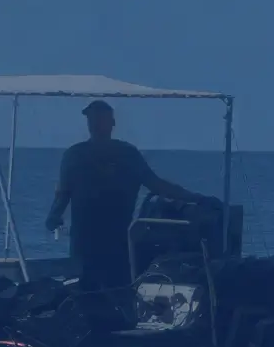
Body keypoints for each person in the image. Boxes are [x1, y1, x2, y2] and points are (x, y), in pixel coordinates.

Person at [44, 99, 195, 319]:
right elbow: (63, 194)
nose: (95, 123)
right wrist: (54, 216)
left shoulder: (126, 154)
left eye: (99, 118)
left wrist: (191, 197)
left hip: (117, 237)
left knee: (118, 289)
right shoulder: (75, 155)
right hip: (86, 239)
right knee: (91, 290)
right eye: (91, 119)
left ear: (112, 122)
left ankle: (118, 329)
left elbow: (155, 184)